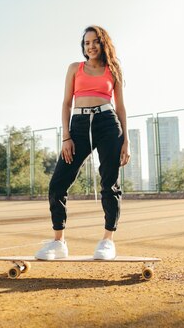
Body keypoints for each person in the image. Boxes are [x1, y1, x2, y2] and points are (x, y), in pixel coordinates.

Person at [35, 25, 130, 261]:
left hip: (108, 123)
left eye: (95, 41)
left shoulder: (113, 68)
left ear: (103, 43)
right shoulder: (74, 69)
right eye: (87, 43)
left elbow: (121, 107)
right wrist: (66, 136)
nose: (91, 46)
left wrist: (126, 140)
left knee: (110, 184)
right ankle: (58, 242)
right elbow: (67, 103)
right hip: (78, 126)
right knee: (58, 183)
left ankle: (107, 240)